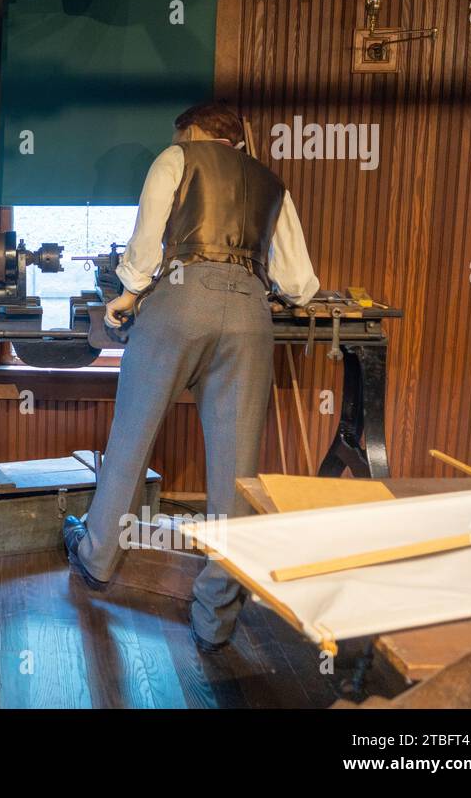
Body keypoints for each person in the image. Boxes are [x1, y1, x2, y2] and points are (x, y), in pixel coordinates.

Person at [64, 100, 319, 652]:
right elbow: (299, 284)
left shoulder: (177, 159)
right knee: (236, 469)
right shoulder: (273, 183)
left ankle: (99, 558)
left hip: (180, 302)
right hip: (250, 316)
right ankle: (216, 617)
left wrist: (126, 297)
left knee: (131, 439)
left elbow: (146, 247)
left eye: (181, 135)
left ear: (195, 132)